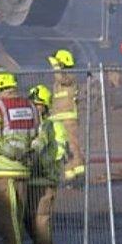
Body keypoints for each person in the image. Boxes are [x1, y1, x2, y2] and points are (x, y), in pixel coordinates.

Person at [0, 70, 39, 244]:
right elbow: (38, 136)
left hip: (2, 170)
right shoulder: (31, 106)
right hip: (23, 170)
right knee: (18, 215)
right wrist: (26, 153)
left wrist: (12, 153)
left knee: (6, 216)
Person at [26, 84, 65, 244]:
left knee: (41, 218)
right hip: (30, 179)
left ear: (45, 106)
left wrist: (31, 155)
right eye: (32, 103)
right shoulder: (29, 124)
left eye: (38, 104)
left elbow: (52, 151)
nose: (34, 107)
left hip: (45, 179)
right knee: (29, 218)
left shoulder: (49, 125)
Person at [47, 49, 84, 179]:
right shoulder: (57, 83)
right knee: (64, 150)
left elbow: (62, 78)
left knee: (73, 147)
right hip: (57, 121)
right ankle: (69, 176)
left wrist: (55, 66)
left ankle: (80, 175)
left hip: (69, 120)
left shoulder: (70, 77)